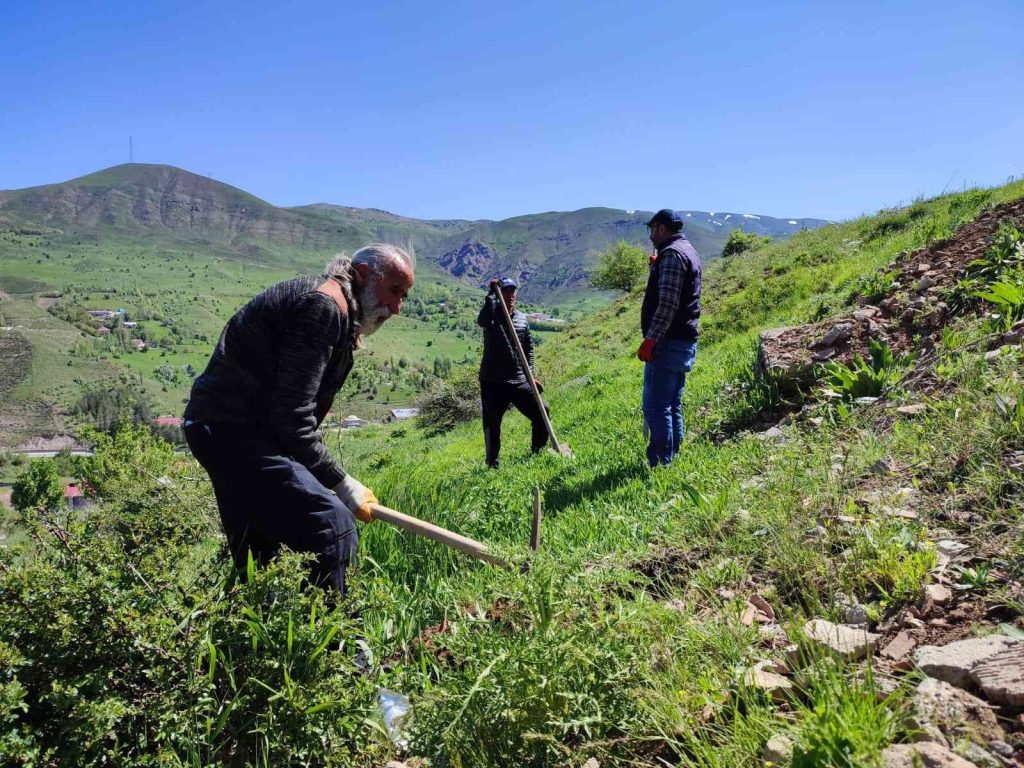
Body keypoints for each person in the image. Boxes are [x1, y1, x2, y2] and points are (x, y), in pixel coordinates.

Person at [183, 244, 415, 595]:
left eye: (404, 296)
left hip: (233, 429)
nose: (397, 307)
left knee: (261, 542)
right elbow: (292, 417)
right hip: (229, 428)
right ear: (364, 274)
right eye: (394, 291)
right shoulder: (323, 306)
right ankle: (337, 641)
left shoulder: (341, 313)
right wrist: (341, 482)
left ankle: (266, 628)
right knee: (331, 522)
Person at [637, 209, 702, 467]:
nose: (651, 235)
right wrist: (657, 268)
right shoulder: (687, 250)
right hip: (683, 341)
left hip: (668, 342)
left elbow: (668, 303)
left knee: (656, 406)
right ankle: (673, 456)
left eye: (652, 229)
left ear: (662, 229)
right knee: (672, 403)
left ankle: (661, 463)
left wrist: (651, 339)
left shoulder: (673, 255)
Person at [477, 277, 549, 468]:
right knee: (492, 425)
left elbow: (529, 348)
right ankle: (492, 464)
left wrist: (531, 376)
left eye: (512, 291)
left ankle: (538, 452)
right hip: (493, 380)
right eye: (506, 291)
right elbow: (481, 320)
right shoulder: (492, 316)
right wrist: (492, 295)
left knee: (543, 411)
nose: (510, 295)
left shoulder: (522, 319)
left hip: (518, 379)